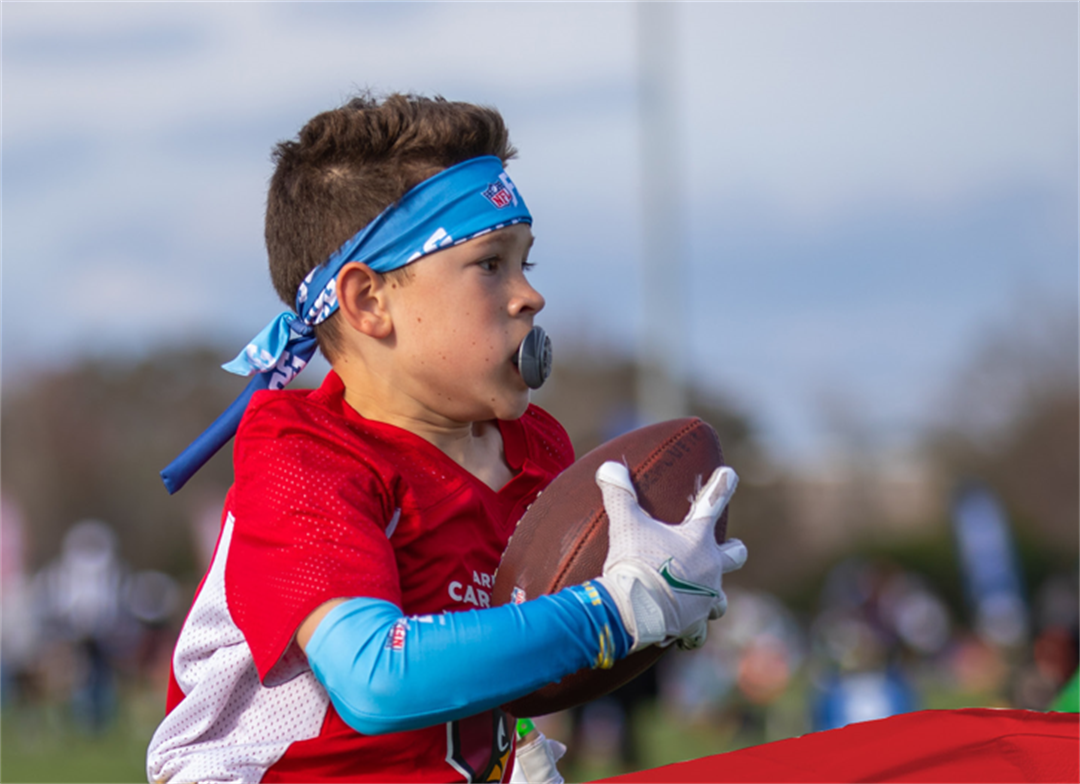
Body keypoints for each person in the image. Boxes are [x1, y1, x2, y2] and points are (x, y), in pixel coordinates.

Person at [147, 93, 747, 784]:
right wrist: (614, 610)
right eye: (490, 264)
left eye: (527, 263)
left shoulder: (536, 451)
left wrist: (656, 612)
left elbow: (500, 648)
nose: (529, 295)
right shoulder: (303, 454)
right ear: (369, 301)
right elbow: (377, 678)